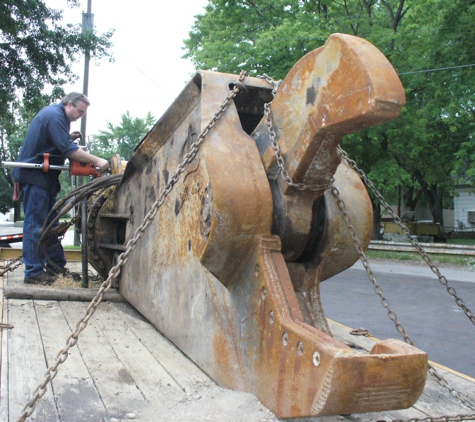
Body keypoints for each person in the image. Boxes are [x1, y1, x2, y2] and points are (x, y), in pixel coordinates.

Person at [13, 92, 109, 285]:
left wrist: (67, 137)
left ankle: (56, 267)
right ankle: (33, 273)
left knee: (51, 225)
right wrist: (97, 160)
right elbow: (68, 150)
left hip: (45, 181)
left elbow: (56, 143)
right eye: (79, 112)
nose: (80, 116)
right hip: (36, 178)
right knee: (36, 226)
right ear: (69, 105)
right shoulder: (54, 116)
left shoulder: (59, 118)